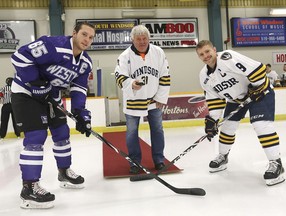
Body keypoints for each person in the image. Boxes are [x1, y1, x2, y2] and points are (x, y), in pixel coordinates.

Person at [10, 22, 95, 209]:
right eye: (84, 34)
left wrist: (81, 114)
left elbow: (79, 88)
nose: (87, 40)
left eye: (90, 37)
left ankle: (64, 172)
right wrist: (36, 82)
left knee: (62, 133)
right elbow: (19, 56)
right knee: (36, 137)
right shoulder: (53, 45)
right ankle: (29, 188)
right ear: (74, 33)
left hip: (51, 97)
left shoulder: (85, 63)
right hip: (26, 93)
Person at [196, 40, 284, 186]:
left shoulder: (227, 58)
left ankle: (276, 163)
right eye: (201, 54)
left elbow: (257, 68)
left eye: (207, 51)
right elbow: (215, 99)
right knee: (227, 127)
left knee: (261, 125)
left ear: (214, 50)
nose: (205, 56)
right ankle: (223, 157)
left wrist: (257, 87)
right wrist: (213, 120)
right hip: (236, 99)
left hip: (260, 91)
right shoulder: (204, 76)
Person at [114, 25, 171, 174]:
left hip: (153, 100)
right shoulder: (124, 56)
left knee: (158, 130)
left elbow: (165, 75)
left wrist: (161, 97)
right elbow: (119, 76)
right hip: (134, 100)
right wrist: (131, 83)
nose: (142, 41)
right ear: (132, 40)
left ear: (149, 38)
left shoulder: (158, 52)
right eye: (138, 39)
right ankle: (135, 162)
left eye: (144, 38)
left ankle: (159, 160)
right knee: (132, 132)